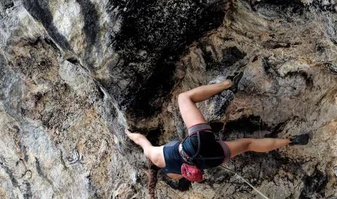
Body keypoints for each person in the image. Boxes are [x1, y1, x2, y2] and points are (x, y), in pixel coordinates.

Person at [126, 72, 310, 183]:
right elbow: (140, 139)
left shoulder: (173, 174)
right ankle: (227, 84)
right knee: (183, 98)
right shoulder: (153, 154)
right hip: (195, 145)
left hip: (211, 160)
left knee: (249, 144)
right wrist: (128, 133)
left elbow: (185, 176)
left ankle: (292, 140)